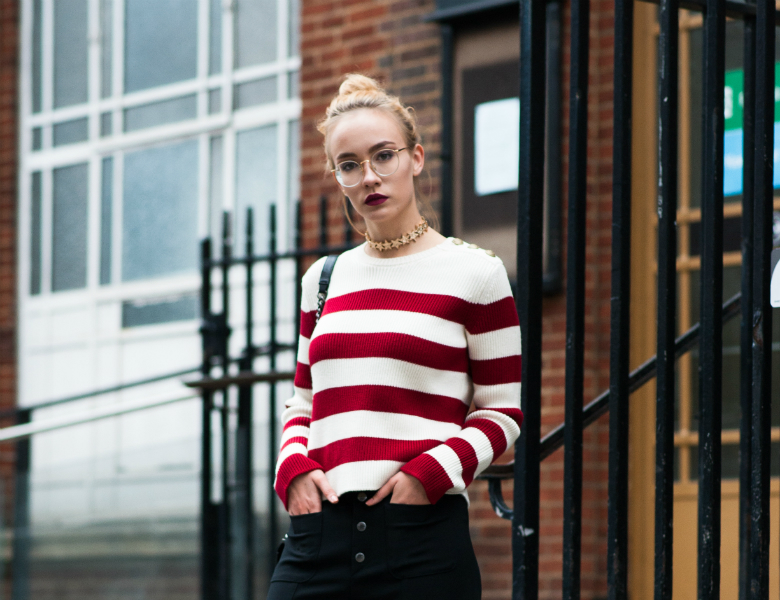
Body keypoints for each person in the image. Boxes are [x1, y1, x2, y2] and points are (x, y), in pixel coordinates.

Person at [267, 74, 523, 600]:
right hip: (320, 536)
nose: (369, 177)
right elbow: (303, 402)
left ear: (416, 158)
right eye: (350, 165)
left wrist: (431, 473)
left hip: (420, 538)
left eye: (384, 156)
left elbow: (503, 413)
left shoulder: (475, 273)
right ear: (337, 177)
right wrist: (292, 469)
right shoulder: (322, 279)